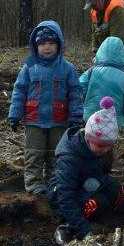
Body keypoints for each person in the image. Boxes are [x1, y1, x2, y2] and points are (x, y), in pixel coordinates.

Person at [8, 20, 83, 195]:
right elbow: (19, 91)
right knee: (33, 154)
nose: (47, 47)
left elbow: (75, 94)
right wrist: (14, 115)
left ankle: (53, 185)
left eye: (51, 43)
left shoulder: (67, 69)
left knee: (56, 155)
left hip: (59, 120)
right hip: (34, 120)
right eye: (42, 44)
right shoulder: (29, 67)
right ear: (36, 46)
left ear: (59, 45)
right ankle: (34, 186)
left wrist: (76, 118)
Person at [47, 97, 124, 245]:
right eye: (101, 147)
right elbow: (65, 197)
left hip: (88, 182)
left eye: (109, 146)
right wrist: (86, 233)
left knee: (117, 190)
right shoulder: (69, 159)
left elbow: (103, 174)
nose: (106, 150)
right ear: (89, 139)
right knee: (95, 202)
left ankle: (114, 219)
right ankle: (69, 227)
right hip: (62, 195)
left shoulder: (102, 150)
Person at [80, 36, 124, 128]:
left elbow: (79, 90)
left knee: (89, 139)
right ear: (122, 54)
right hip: (114, 121)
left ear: (101, 51)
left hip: (89, 118)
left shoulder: (91, 71)